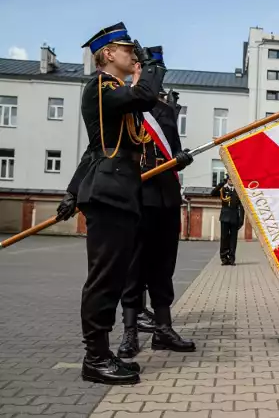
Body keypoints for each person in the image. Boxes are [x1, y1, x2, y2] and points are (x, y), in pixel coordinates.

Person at [55, 22, 166, 385]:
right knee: (104, 279)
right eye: (126, 48)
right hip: (109, 195)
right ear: (107, 54)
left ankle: (100, 355)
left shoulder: (117, 91)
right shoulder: (101, 87)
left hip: (118, 194)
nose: (133, 53)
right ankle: (96, 358)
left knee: (115, 277)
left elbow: (96, 148)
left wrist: (72, 190)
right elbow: (145, 96)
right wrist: (153, 66)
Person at [117, 46, 196, 358]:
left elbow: (171, 150)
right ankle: (130, 332)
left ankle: (163, 329)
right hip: (136, 198)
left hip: (165, 199)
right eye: (146, 69)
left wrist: (180, 160)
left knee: (163, 267)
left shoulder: (163, 110)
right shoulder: (122, 103)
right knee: (133, 267)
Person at [211, 174, 244, 265]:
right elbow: (212, 193)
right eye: (229, 179)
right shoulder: (223, 190)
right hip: (225, 217)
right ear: (227, 180)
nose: (231, 181)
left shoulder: (238, 192)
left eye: (233, 179)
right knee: (224, 238)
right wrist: (222, 183)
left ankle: (231, 258)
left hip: (234, 217)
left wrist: (241, 219)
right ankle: (224, 258)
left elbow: (241, 206)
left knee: (233, 239)